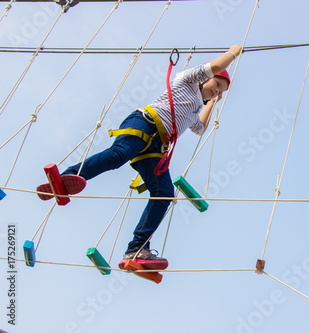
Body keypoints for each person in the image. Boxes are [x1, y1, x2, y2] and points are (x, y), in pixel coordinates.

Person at [37, 45, 243, 269]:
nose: (217, 92)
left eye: (221, 92)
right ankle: (67, 177)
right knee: (118, 156)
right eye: (217, 85)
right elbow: (215, 66)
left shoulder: (194, 109)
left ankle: (137, 249)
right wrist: (233, 53)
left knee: (163, 193)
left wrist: (212, 103)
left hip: (156, 146)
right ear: (206, 79)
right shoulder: (187, 80)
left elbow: (200, 128)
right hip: (144, 122)